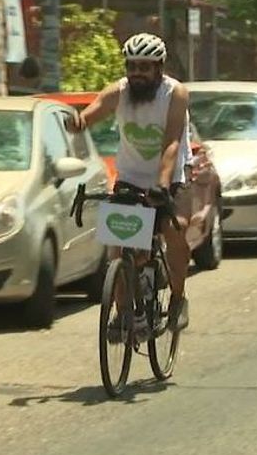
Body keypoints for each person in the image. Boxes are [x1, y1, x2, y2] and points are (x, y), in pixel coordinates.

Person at [65, 33, 192, 337]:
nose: (137, 73)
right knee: (121, 248)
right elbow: (93, 111)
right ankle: (123, 313)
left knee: (176, 229)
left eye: (144, 67)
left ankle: (177, 297)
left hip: (171, 175)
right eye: (132, 66)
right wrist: (79, 122)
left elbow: (172, 141)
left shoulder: (175, 93)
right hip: (131, 177)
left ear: (159, 68)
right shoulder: (118, 92)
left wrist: (162, 184)